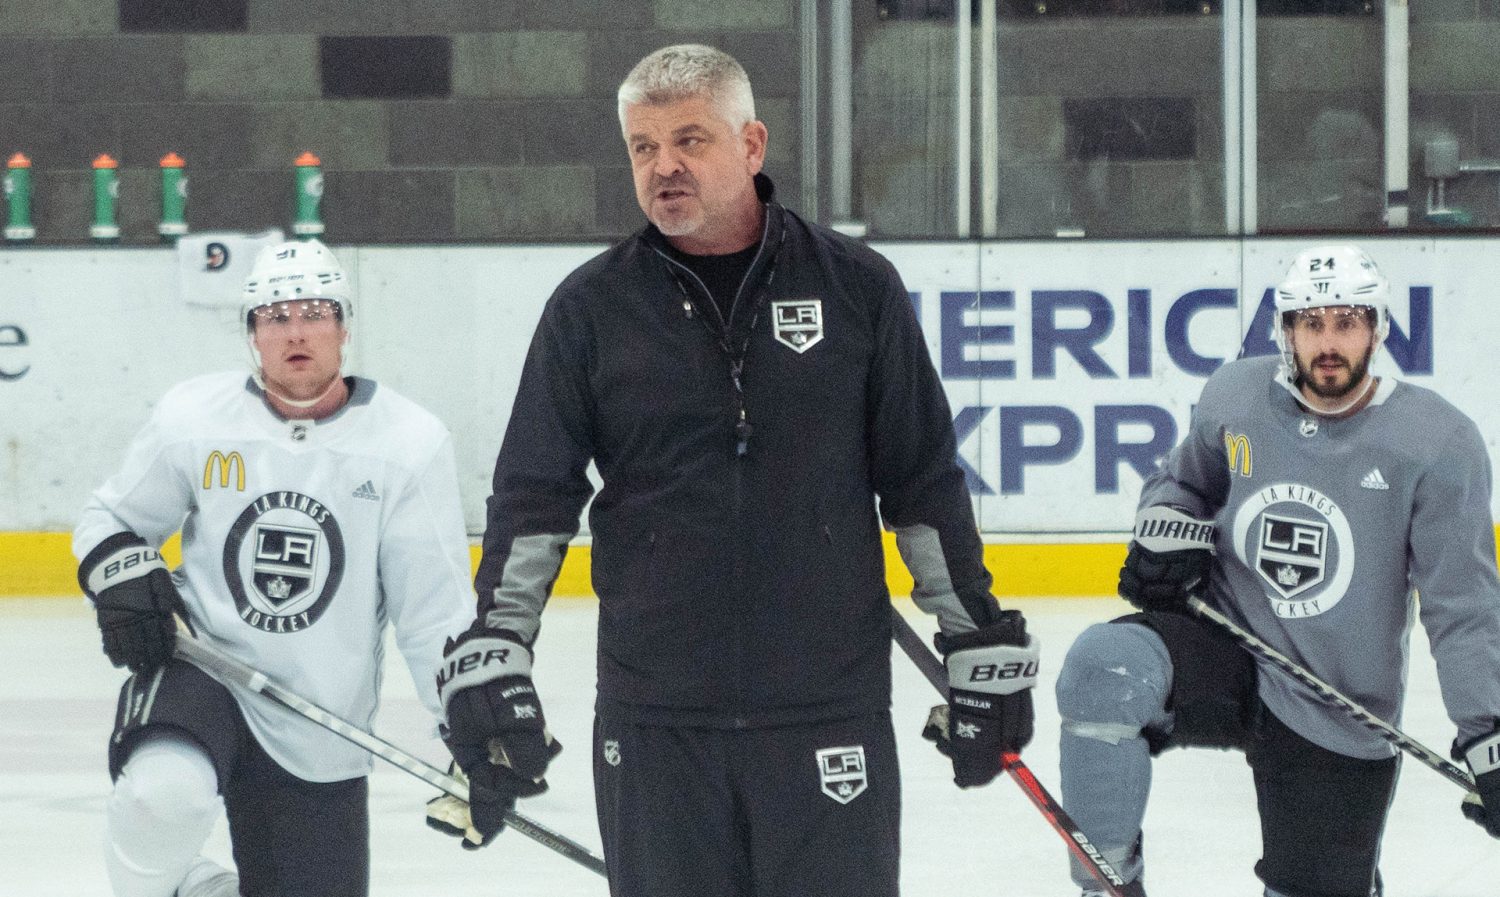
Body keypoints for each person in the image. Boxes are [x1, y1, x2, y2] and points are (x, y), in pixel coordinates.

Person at [427, 43, 1038, 896]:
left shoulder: (856, 289)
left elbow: (921, 480)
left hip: (826, 706)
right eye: (643, 147)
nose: (663, 166)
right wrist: (498, 641)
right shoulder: (590, 309)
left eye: (690, 140)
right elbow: (535, 497)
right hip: (656, 718)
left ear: (751, 146)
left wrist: (973, 632)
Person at [1054, 244, 1500, 897]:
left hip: (1337, 701)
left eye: (1347, 322)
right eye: (1311, 322)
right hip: (1224, 644)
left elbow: (1463, 607)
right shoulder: (1236, 395)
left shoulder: (1437, 442)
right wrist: (1165, 527)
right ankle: (1107, 884)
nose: (1328, 342)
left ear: (1376, 329)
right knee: (1104, 667)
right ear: (1285, 330)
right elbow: (1182, 484)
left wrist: (1487, 730)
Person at [74, 238, 476, 897]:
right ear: (252, 336)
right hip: (204, 674)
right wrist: (122, 573)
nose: (296, 331)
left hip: (319, 716)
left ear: (344, 327)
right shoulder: (195, 419)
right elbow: (109, 517)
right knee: (160, 798)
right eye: (275, 315)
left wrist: (466, 725)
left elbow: (433, 612)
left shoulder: (407, 443)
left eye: (315, 311)